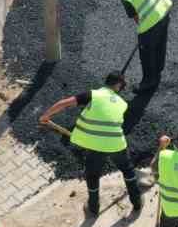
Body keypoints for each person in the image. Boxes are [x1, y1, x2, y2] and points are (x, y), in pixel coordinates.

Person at [41, 72, 143, 219]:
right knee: (127, 170)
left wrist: (46, 115)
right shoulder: (123, 103)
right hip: (116, 144)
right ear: (118, 85)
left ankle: (93, 208)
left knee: (93, 175)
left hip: (95, 145)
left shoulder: (93, 95)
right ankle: (137, 202)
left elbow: (64, 104)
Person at [104, 0, 178, 133]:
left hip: (150, 24)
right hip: (164, 12)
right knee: (161, 43)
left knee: (147, 55)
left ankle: (149, 83)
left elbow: (137, 18)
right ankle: (159, 68)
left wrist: (143, 32)